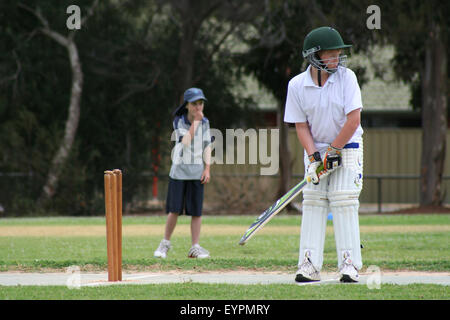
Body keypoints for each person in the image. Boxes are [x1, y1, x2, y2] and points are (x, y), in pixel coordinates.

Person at [284, 26, 364, 283]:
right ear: (315, 56)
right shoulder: (296, 85)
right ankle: (308, 264)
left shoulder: (347, 77)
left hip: (348, 144)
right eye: (332, 54)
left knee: (343, 198)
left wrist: (334, 150)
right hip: (317, 148)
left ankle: (349, 264)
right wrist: (313, 158)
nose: (338, 59)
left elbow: (353, 120)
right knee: (313, 201)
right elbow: (300, 125)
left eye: (340, 53)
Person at [154, 87, 212, 259]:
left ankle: (195, 247)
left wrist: (207, 168)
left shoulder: (206, 122)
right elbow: (186, 141)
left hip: (197, 172)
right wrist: (196, 122)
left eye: (200, 103)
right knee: (174, 210)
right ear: (187, 105)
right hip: (179, 172)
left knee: (196, 212)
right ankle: (165, 244)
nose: (198, 107)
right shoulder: (179, 121)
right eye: (194, 104)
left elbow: (207, 145)